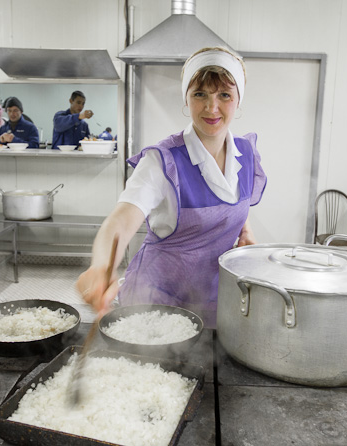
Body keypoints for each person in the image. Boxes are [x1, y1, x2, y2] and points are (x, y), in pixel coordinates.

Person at [75, 47, 267, 328]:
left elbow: (236, 201)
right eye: (200, 94)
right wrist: (101, 266)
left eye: (224, 95)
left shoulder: (246, 153)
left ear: (238, 100)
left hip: (212, 298)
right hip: (155, 300)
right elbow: (122, 219)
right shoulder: (161, 160)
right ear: (186, 99)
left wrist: (245, 230)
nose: (211, 108)